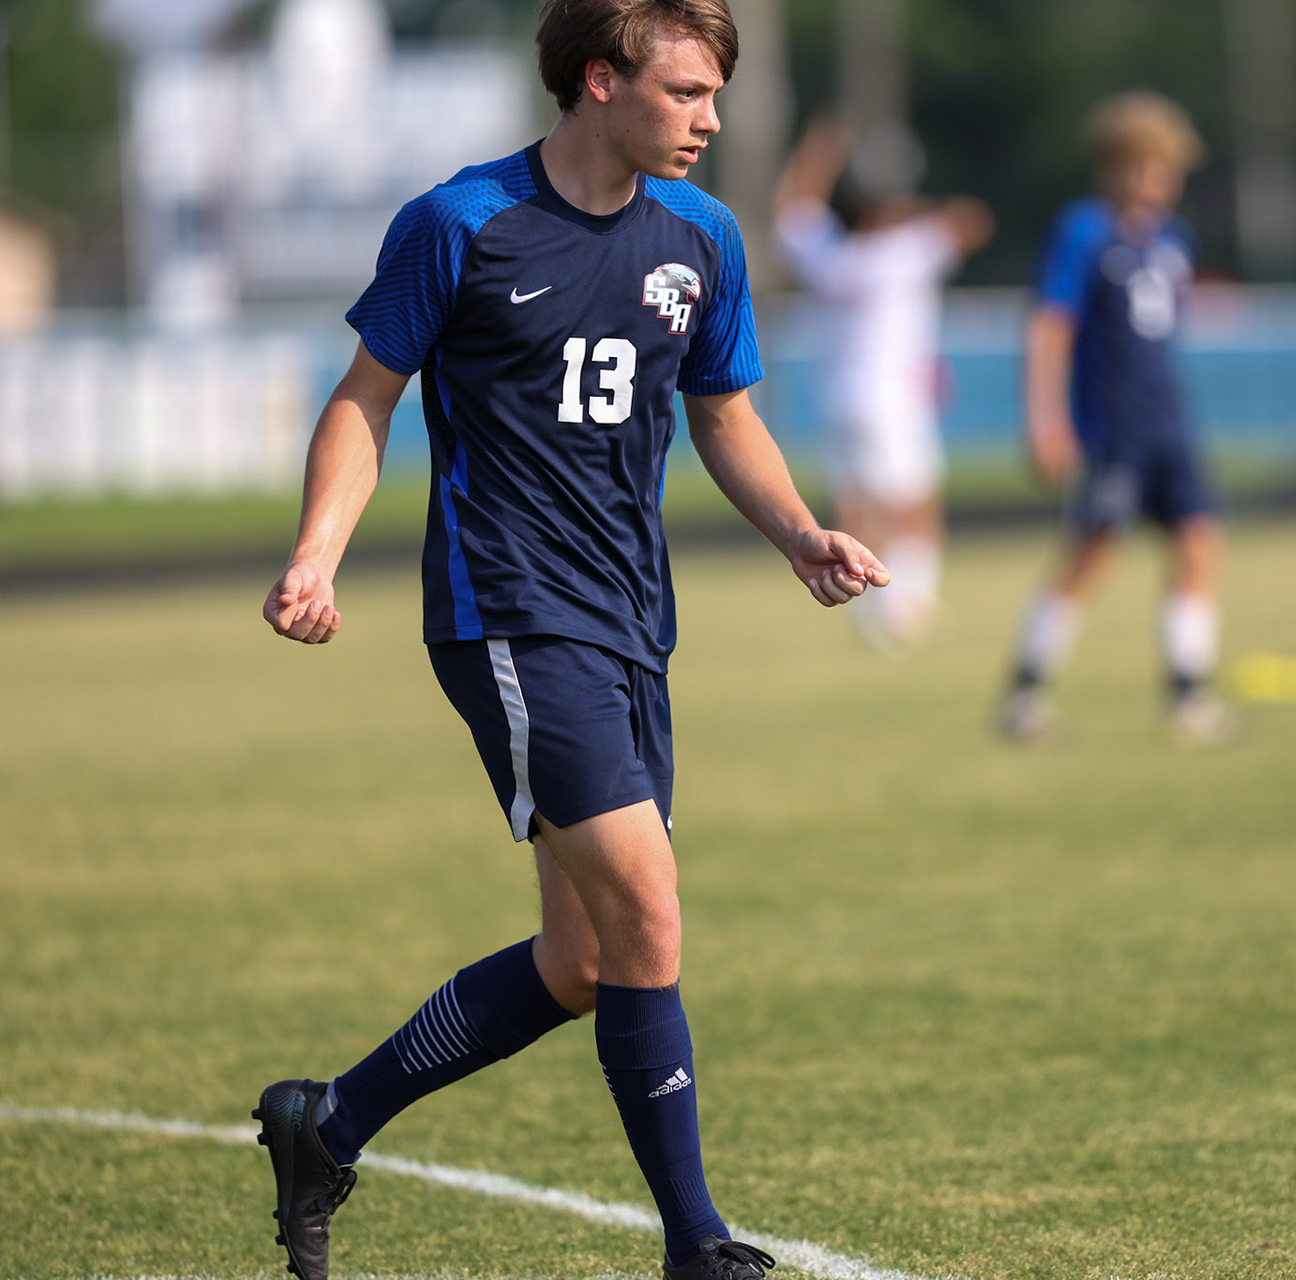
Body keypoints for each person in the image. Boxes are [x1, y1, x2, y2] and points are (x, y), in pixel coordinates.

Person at [252, 3, 886, 1278]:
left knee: (585, 960)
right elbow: (364, 401)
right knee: (650, 913)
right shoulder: (460, 222)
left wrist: (802, 532)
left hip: (631, 622)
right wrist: (316, 554)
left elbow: (725, 416)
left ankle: (330, 1120)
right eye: (688, 92)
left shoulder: (703, 237)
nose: (710, 120)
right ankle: (698, 1243)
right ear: (600, 81)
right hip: (510, 613)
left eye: (717, 94)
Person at [997, 91, 1230, 744]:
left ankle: (1189, 691)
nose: (1160, 179)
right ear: (1115, 166)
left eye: (1169, 166)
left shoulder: (1173, 240)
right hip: (1111, 428)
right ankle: (1026, 689)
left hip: (1169, 423)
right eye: (1146, 164)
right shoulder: (1083, 232)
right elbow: (1050, 328)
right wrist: (1045, 420)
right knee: (1093, 552)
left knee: (1198, 542)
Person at [771, 115, 992, 648]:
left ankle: (866, 611)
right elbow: (973, 220)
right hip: (895, 399)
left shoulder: (830, 257)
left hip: (840, 396)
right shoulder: (906, 252)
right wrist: (918, 208)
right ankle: (909, 603)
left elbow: (792, 212)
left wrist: (819, 152)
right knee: (913, 499)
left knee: (856, 503)